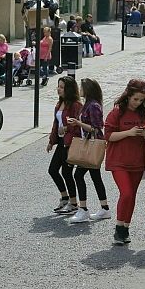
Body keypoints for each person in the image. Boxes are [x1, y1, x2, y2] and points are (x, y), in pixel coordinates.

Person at [104, 79, 145, 245]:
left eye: (141, 100)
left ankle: (125, 228)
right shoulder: (117, 112)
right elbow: (108, 135)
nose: (137, 103)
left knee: (132, 196)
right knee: (126, 193)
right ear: (128, 96)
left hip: (137, 160)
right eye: (135, 99)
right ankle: (118, 228)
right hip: (118, 160)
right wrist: (129, 132)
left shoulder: (144, 113)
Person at [66, 79, 111, 224]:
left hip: (92, 145)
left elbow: (96, 128)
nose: (80, 89)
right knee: (95, 177)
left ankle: (83, 209)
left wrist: (78, 123)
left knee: (79, 175)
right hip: (90, 145)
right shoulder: (89, 104)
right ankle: (104, 208)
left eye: (82, 87)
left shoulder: (93, 106)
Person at [47, 76, 82, 215]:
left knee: (67, 172)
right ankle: (65, 197)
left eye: (62, 87)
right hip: (61, 142)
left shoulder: (76, 105)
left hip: (71, 142)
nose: (59, 89)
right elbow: (56, 124)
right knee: (53, 170)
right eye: (58, 86)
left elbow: (79, 126)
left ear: (69, 89)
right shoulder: (59, 104)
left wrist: (67, 128)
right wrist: (51, 140)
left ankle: (74, 203)